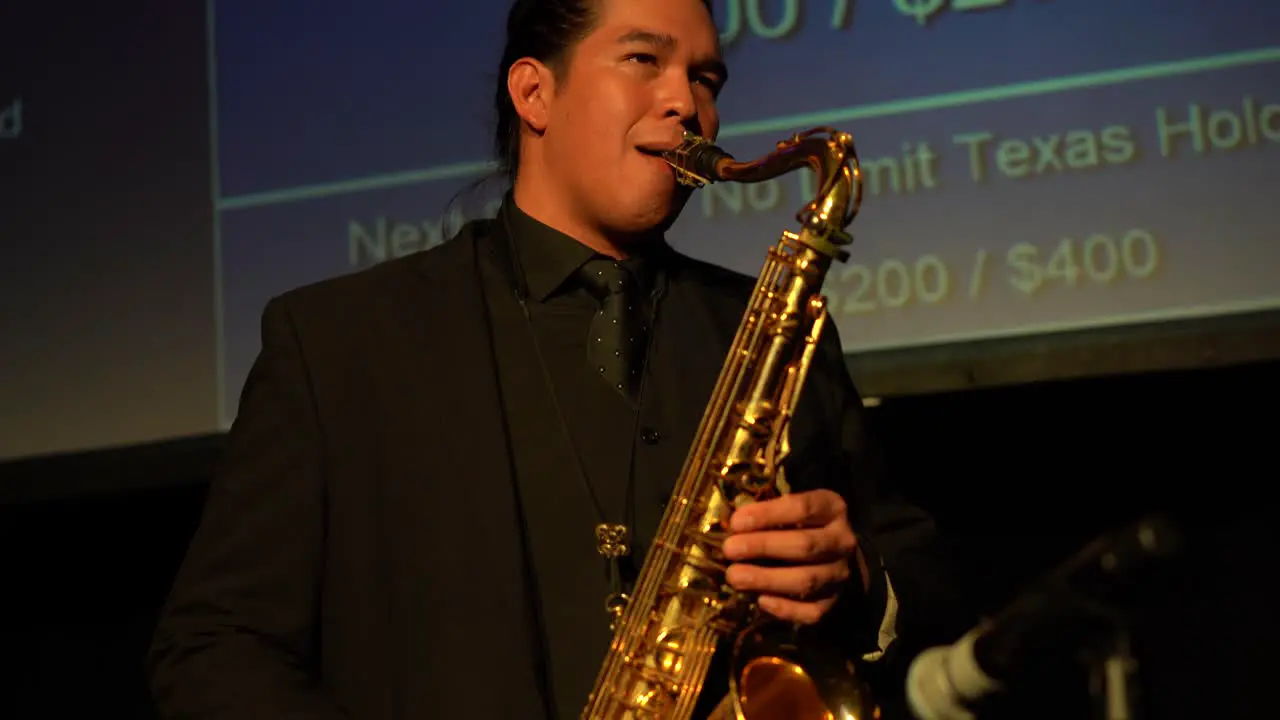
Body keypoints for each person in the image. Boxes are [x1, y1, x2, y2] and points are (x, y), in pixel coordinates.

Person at [147, 0, 967, 717]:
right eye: (644, 59)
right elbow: (215, 647)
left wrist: (857, 577)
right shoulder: (336, 342)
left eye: (707, 79)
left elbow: (929, 590)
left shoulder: (775, 326)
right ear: (534, 91)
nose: (687, 102)